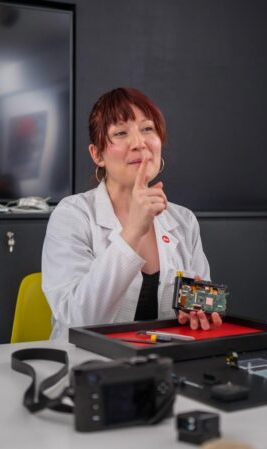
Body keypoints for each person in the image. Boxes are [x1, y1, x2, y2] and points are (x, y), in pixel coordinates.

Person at [42, 87, 221, 340]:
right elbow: (78, 319)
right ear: (97, 154)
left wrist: (199, 313)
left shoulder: (184, 220)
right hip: (86, 359)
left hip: (164, 359)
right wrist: (133, 232)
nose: (139, 143)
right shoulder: (71, 215)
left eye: (147, 129)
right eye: (120, 133)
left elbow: (204, 305)